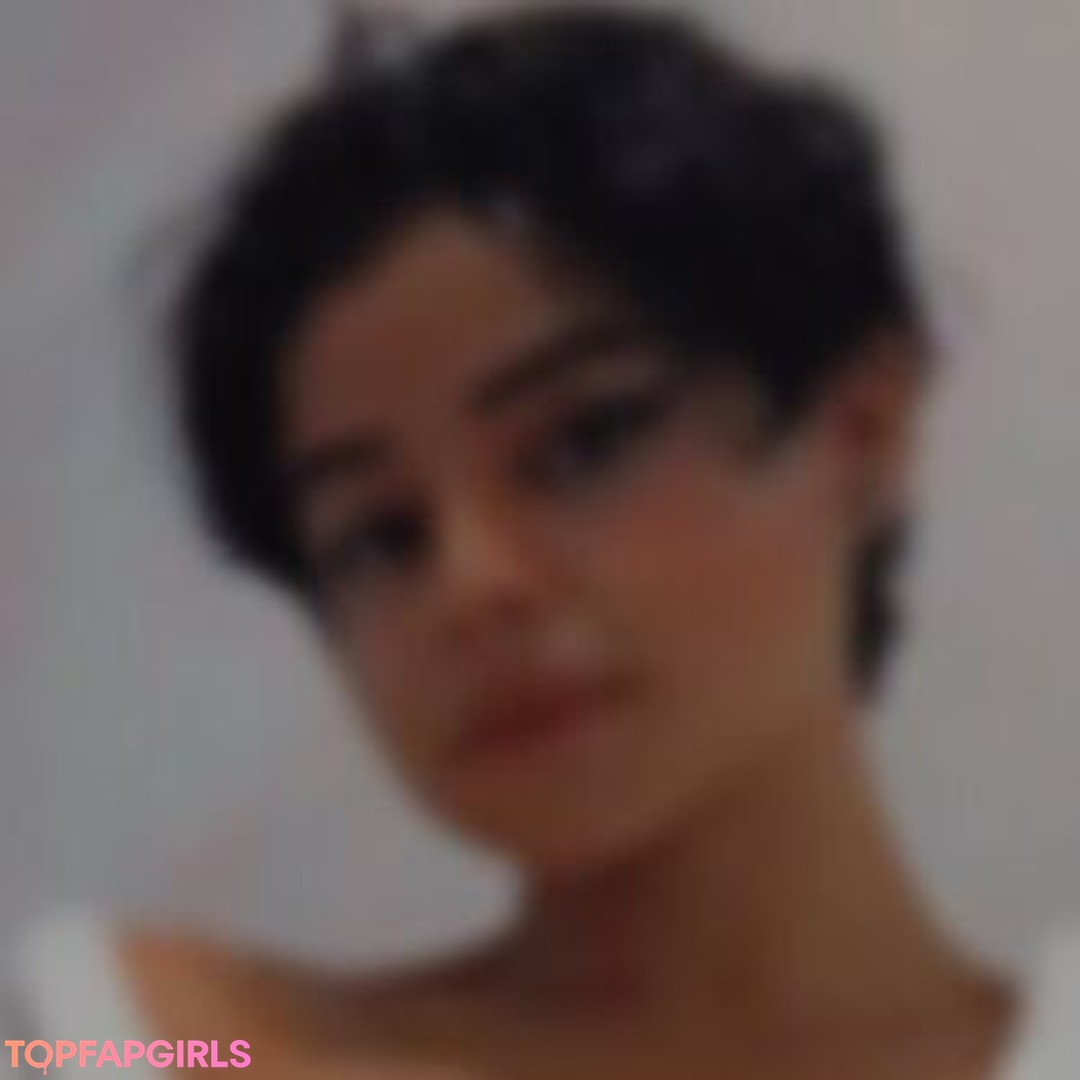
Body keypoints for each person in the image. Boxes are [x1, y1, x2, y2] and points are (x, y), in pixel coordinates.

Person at [13, 6, 1080, 1077]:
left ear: (860, 428)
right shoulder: (165, 1039)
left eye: (586, 442)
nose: (473, 582)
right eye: (379, 537)